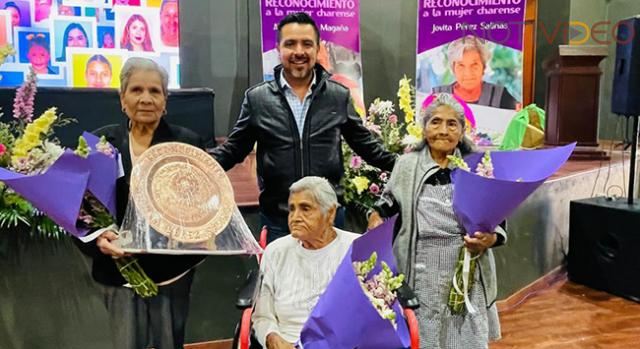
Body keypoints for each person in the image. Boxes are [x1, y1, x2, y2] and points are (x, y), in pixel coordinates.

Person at [211, 12, 395, 243]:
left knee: (330, 280)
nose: (299, 51)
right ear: (278, 48)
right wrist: (192, 165)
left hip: (328, 219)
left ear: (318, 49)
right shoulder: (258, 100)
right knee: (280, 280)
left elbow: (370, 149)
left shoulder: (338, 96)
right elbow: (232, 151)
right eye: (290, 44)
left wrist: (417, 165)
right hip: (279, 221)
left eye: (307, 44)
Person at [74, 57, 205, 349]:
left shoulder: (188, 145)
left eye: (154, 91)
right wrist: (98, 239)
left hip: (170, 273)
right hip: (118, 270)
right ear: (122, 98)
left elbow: (205, 210)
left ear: (165, 100)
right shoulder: (99, 144)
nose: (145, 99)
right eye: (136, 90)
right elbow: (78, 211)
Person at [368, 93, 506, 349]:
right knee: (425, 335)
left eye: (452, 124)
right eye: (436, 122)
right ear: (424, 127)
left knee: (463, 338)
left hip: (466, 266)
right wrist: (376, 217)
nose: (443, 131)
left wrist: (490, 239)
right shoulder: (407, 165)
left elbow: (497, 218)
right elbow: (388, 202)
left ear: (463, 130)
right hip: (421, 268)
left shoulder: (477, 165)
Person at [252, 176, 359, 349]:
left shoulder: (357, 249)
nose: (295, 217)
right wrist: (272, 337)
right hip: (288, 342)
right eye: (292, 209)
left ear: (330, 213)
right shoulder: (276, 252)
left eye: (305, 208)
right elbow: (262, 315)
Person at [433, 35, 518, 110]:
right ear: (453, 69)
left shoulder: (500, 96)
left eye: (474, 65)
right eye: (461, 65)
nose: (468, 73)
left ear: (483, 67)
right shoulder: (437, 95)